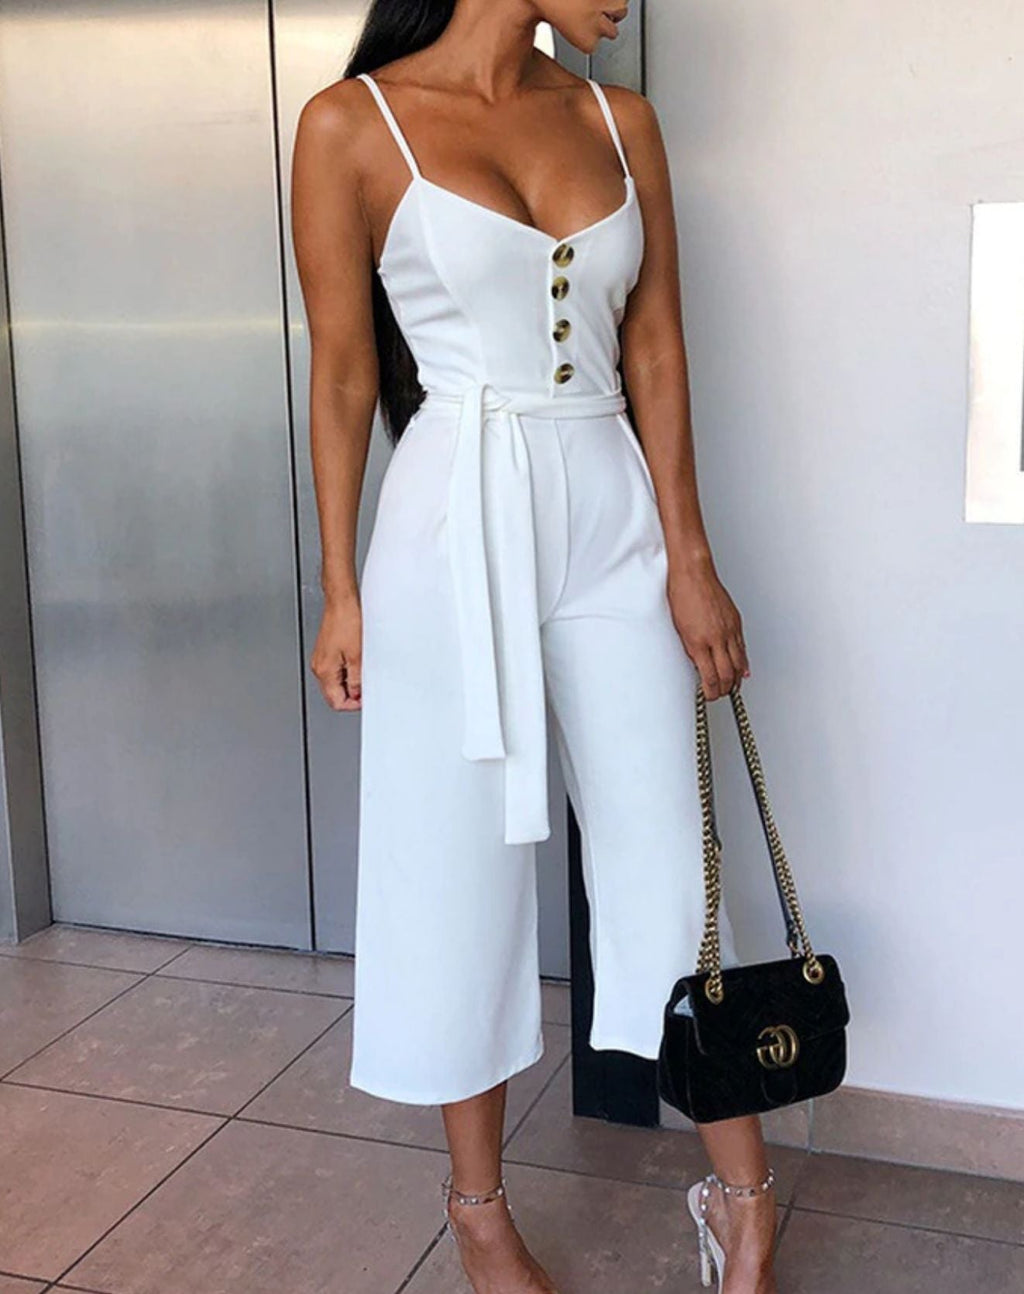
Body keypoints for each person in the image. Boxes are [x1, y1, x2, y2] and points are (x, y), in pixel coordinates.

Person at [291, 2, 778, 1291]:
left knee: (670, 854)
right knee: (459, 865)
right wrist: (339, 587)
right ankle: (477, 1211)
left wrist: (689, 556)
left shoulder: (622, 121)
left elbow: (655, 345)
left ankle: (746, 1201)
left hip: (612, 508)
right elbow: (342, 371)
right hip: (450, 514)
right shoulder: (350, 125)